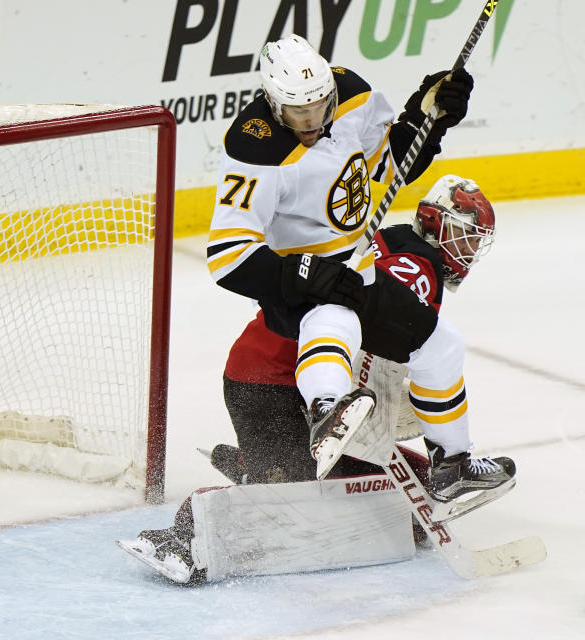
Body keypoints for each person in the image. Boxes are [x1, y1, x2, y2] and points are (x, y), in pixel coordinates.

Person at [119, 33, 514, 584]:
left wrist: (431, 115)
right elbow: (228, 257)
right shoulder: (256, 149)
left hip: (354, 269)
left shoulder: (350, 95)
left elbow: (387, 164)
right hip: (271, 366)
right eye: (296, 111)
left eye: (317, 106)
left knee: (438, 353)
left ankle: (450, 465)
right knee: (285, 491)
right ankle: (193, 527)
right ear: (273, 103)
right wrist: (304, 272)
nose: (310, 120)